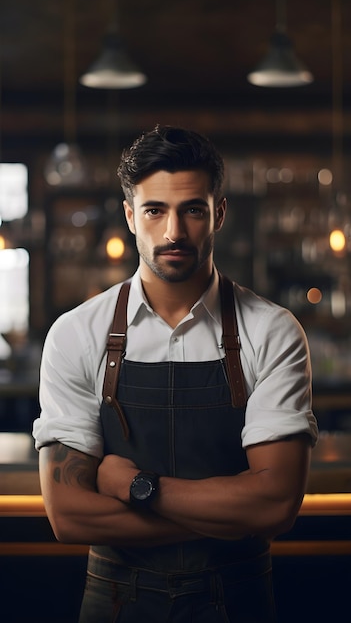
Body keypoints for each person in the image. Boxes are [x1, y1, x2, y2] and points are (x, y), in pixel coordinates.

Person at [33, 125, 318, 623]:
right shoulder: (76, 334)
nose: (173, 232)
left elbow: (275, 507)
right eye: (154, 210)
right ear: (129, 216)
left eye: (192, 209)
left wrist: (140, 487)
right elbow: (68, 514)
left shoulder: (272, 331)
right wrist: (229, 515)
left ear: (219, 214)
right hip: (115, 602)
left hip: (239, 600)